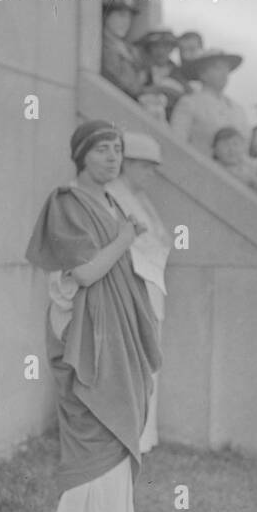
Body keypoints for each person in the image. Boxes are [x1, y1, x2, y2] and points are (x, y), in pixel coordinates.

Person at [24, 121, 161, 512]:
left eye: (118, 150)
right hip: (85, 338)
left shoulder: (111, 203)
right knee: (93, 433)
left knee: (117, 435)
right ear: (82, 154)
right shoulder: (67, 201)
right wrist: (125, 237)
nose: (112, 157)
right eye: (102, 149)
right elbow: (83, 275)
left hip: (115, 334)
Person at [107, 132, 173, 455]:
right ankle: (125, 436)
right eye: (145, 166)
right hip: (129, 289)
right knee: (128, 363)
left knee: (147, 362)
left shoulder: (140, 198)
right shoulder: (112, 195)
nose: (150, 174)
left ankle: (143, 436)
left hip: (150, 288)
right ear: (128, 164)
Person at [169, 48, 250, 156]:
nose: (224, 73)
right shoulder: (189, 103)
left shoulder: (238, 109)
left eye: (226, 68)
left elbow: (245, 148)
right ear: (202, 73)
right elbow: (177, 141)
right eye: (217, 68)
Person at [212, 126, 257, 207]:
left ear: (243, 146)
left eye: (235, 144)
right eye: (225, 145)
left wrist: (256, 181)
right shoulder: (213, 168)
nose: (231, 149)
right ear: (215, 150)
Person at [99, 0, 145, 99]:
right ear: (106, 15)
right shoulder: (99, 46)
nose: (126, 22)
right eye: (121, 15)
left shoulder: (132, 50)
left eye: (130, 17)